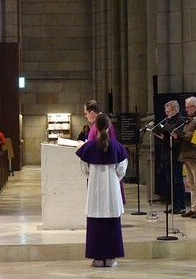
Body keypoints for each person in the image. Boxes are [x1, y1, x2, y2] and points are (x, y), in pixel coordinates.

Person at [75, 114, 128, 267]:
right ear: (108, 126)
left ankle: (97, 258)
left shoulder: (89, 147)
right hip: (112, 189)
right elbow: (121, 170)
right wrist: (111, 179)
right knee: (112, 223)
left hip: (94, 190)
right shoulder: (117, 147)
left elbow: (84, 170)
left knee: (95, 223)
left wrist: (95, 178)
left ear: (95, 127)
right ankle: (111, 258)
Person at [83, 100, 126, 204]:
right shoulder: (97, 123)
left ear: (92, 112)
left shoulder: (103, 123)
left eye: (86, 113)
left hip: (106, 169)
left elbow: (105, 145)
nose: (86, 116)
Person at [173, 96, 196, 219]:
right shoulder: (190, 118)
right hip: (186, 154)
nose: (186, 109)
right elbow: (186, 133)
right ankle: (193, 208)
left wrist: (182, 134)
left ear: (195, 107)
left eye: (188, 107)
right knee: (190, 183)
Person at [156, 100, 186, 214]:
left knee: (178, 181)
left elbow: (180, 138)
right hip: (167, 154)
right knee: (171, 182)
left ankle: (181, 206)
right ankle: (174, 205)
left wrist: (168, 137)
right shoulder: (168, 120)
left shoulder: (181, 121)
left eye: (168, 111)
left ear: (175, 110)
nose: (166, 113)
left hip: (176, 154)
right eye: (165, 111)